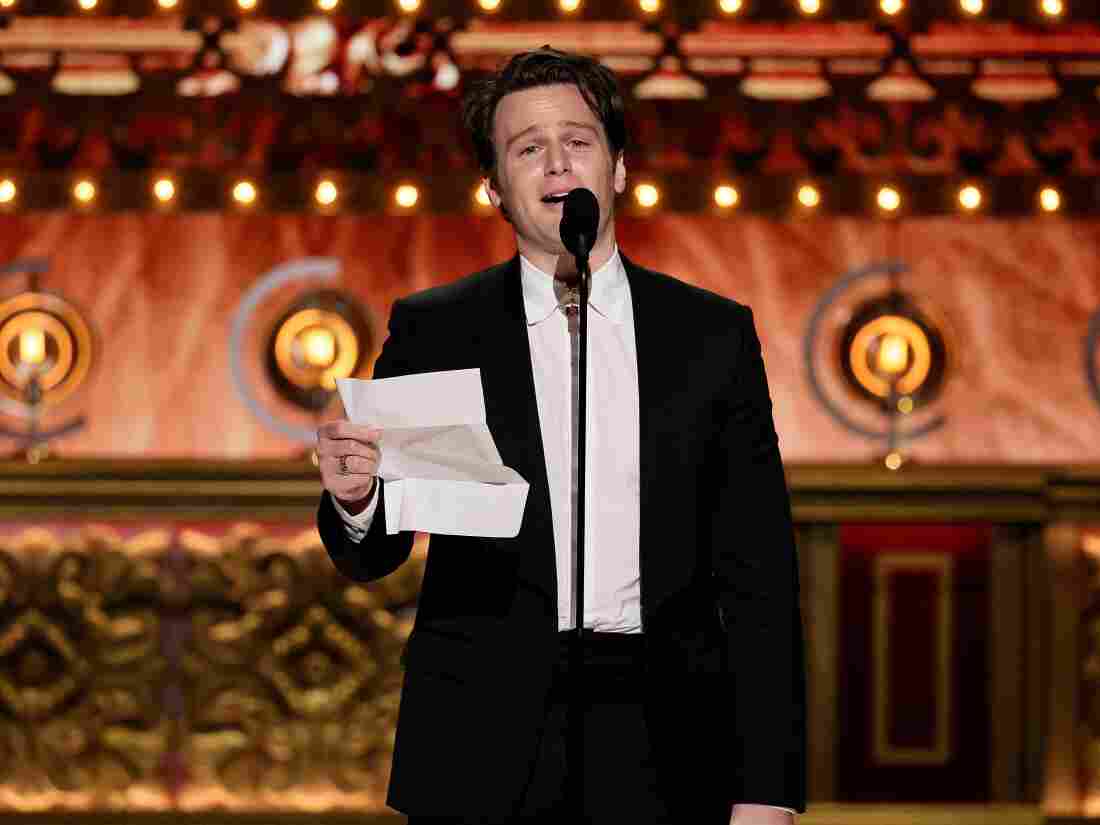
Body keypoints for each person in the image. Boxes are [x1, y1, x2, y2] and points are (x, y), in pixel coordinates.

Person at [315, 47, 805, 824]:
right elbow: (375, 551)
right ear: (496, 189)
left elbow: (760, 577)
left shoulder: (710, 337)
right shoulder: (437, 329)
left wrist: (768, 787)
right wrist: (355, 498)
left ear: (617, 169)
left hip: (666, 736)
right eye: (527, 148)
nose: (556, 164)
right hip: (484, 738)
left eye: (577, 142)